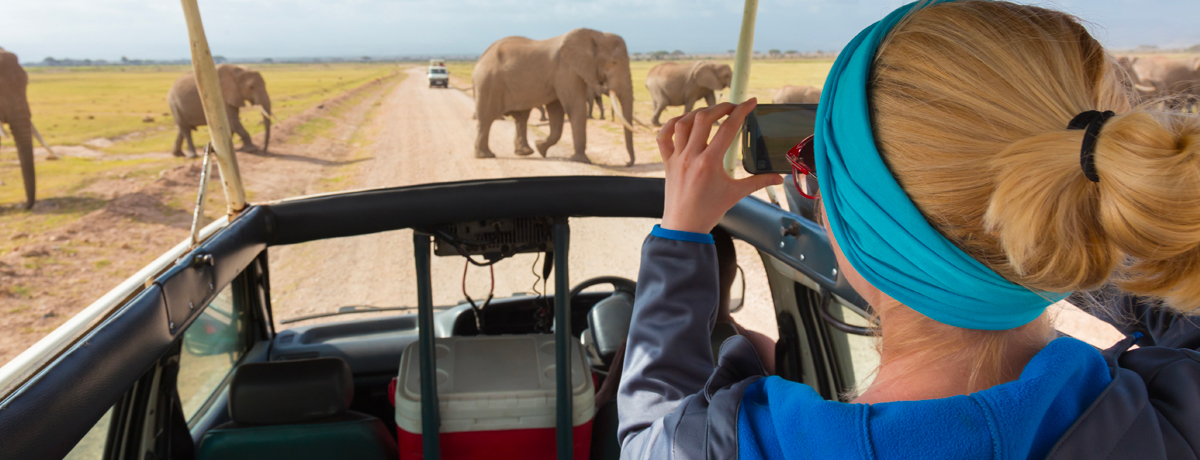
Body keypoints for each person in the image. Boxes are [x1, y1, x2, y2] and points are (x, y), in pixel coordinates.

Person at [617, 1, 1200, 459]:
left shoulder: (717, 446)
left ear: (863, 224)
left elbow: (648, 421)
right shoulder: (1176, 419)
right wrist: (1070, 212)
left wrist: (681, 234)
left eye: (816, 166)